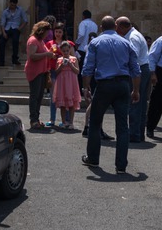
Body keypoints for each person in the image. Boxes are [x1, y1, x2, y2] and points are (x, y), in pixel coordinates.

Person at [80, 16, 141, 174]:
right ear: (115, 26)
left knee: (95, 121)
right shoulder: (126, 43)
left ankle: (93, 158)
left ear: (100, 27)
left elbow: (88, 67)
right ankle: (121, 165)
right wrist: (135, 90)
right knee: (122, 126)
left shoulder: (96, 42)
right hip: (122, 85)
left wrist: (86, 87)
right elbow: (136, 69)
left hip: (105, 85)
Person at [116, 16, 151, 143]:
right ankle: (138, 133)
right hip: (142, 68)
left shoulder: (132, 37)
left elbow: (133, 57)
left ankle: (134, 134)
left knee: (135, 101)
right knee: (139, 103)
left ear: (122, 27)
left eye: (117, 26)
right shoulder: (133, 35)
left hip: (138, 70)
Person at [24, 20, 54, 129]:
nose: (48, 34)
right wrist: (46, 53)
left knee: (39, 96)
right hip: (35, 71)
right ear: (41, 31)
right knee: (34, 96)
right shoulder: (33, 40)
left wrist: (49, 53)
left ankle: (36, 118)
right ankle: (33, 120)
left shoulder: (40, 41)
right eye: (46, 32)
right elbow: (32, 56)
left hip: (42, 71)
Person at [44, 22, 74, 127]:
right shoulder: (49, 44)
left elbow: (73, 57)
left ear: (63, 33)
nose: (58, 34)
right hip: (53, 70)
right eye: (56, 31)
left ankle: (65, 120)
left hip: (65, 73)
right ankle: (52, 119)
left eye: (60, 32)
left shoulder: (68, 43)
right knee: (53, 96)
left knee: (66, 95)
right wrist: (51, 54)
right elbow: (46, 57)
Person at [53, 41, 82, 130]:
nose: (65, 53)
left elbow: (77, 71)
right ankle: (63, 122)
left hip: (71, 82)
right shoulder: (59, 59)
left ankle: (71, 122)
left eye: (67, 50)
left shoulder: (74, 59)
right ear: (61, 51)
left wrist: (70, 64)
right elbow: (56, 72)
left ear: (70, 50)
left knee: (72, 103)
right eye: (64, 51)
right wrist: (61, 66)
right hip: (62, 82)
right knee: (62, 103)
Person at [0, 0, 29, 66]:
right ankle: (1, 61)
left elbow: (25, 20)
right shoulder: (5, 11)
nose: (12, 6)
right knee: (2, 42)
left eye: (14, 5)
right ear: (9, 3)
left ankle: (15, 59)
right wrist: (3, 33)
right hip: (7, 28)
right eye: (11, 5)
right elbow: (2, 23)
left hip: (16, 28)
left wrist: (19, 28)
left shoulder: (20, 10)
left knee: (15, 41)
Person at [75, 9, 98, 82]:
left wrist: (77, 43)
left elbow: (81, 34)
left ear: (83, 16)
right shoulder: (95, 24)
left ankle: (81, 85)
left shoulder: (83, 23)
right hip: (91, 48)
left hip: (82, 48)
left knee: (81, 67)